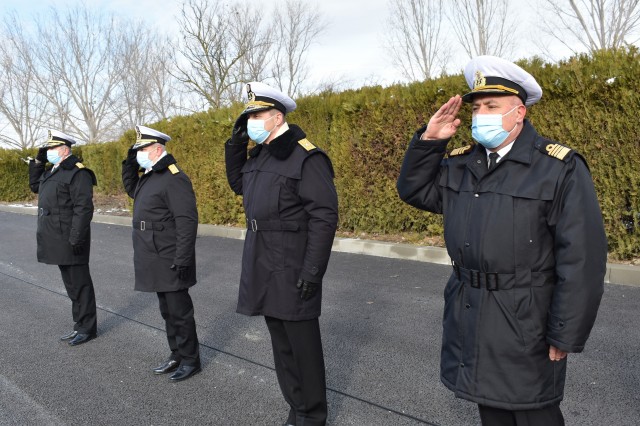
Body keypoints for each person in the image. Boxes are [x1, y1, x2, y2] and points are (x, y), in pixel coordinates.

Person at [396, 56, 607, 426]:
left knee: (534, 412)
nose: (481, 115)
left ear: (519, 112)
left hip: (527, 319)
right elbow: (414, 190)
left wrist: (565, 331)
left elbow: (582, 257)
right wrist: (430, 142)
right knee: (491, 410)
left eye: (491, 106)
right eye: (476, 108)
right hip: (471, 311)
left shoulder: (557, 167)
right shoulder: (462, 164)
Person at [225, 82, 339, 426]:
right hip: (262, 258)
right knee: (281, 343)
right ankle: (297, 406)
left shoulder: (306, 156)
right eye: (248, 117)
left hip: (292, 263)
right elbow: (238, 184)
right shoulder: (260, 155)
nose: (251, 123)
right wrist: (236, 144)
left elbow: (323, 217)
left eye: (257, 116)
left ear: (277, 117)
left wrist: (312, 271)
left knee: (302, 346)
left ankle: (313, 415)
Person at [121, 125, 201, 382]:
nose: (139, 154)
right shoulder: (150, 175)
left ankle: (191, 360)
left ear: (157, 149)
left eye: (142, 149)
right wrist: (129, 161)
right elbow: (131, 188)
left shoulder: (173, 177)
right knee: (167, 310)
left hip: (169, 255)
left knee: (179, 311)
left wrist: (183, 258)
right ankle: (176, 353)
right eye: (137, 151)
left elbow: (187, 221)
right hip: (152, 253)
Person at [28, 130, 98, 346]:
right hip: (57, 237)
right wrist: (38, 163)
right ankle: (80, 325)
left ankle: (88, 328)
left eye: (52, 148)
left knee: (80, 284)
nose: (49, 151)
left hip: (71, 238)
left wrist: (76, 238)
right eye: (47, 148)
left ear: (65, 150)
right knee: (71, 285)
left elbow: (83, 208)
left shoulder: (78, 173)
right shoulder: (53, 171)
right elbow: (35, 186)